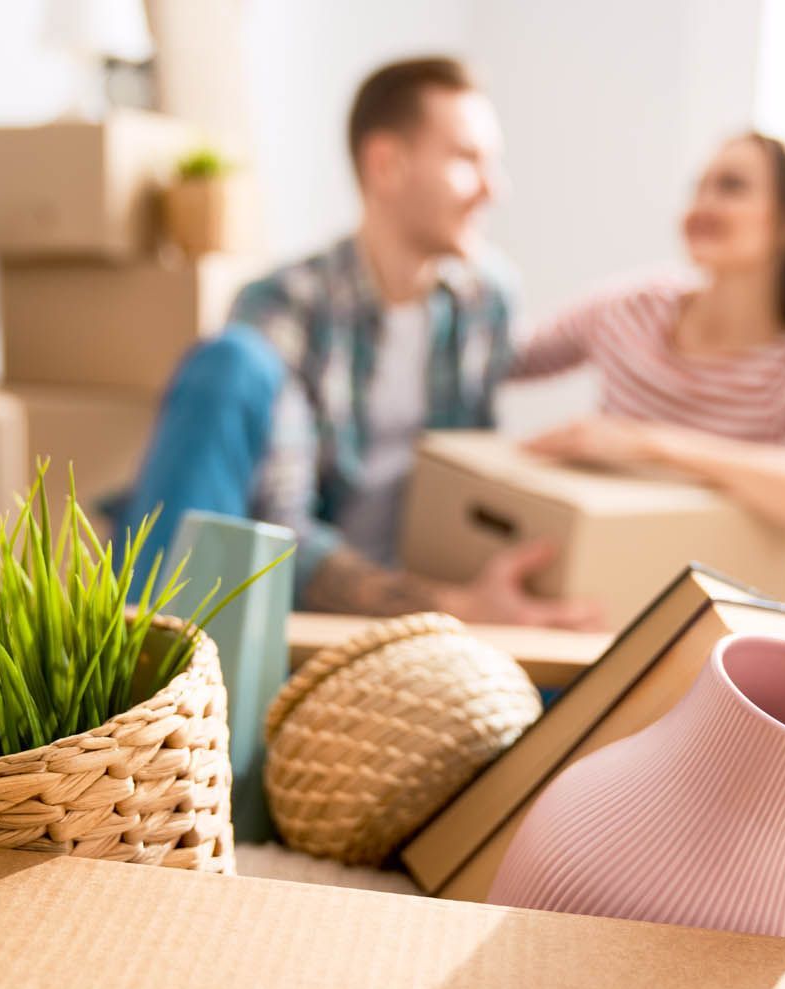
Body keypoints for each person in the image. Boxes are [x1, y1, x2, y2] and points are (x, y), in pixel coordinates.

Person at [119, 56, 598, 628]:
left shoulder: (485, 298)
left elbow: (475, 484)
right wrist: (455, 608)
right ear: (386, 165)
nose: (495, 189)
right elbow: (279, 530)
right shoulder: (285, 303)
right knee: (230, 362)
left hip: (423, 610)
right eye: (468, 160)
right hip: (299, 606)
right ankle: (158, 678)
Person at [509, 132, 785, 531]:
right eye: (698, 188)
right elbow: (512, 357)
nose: (702, 205)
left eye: (731, 186)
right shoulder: (632, 309)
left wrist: (648, 445)